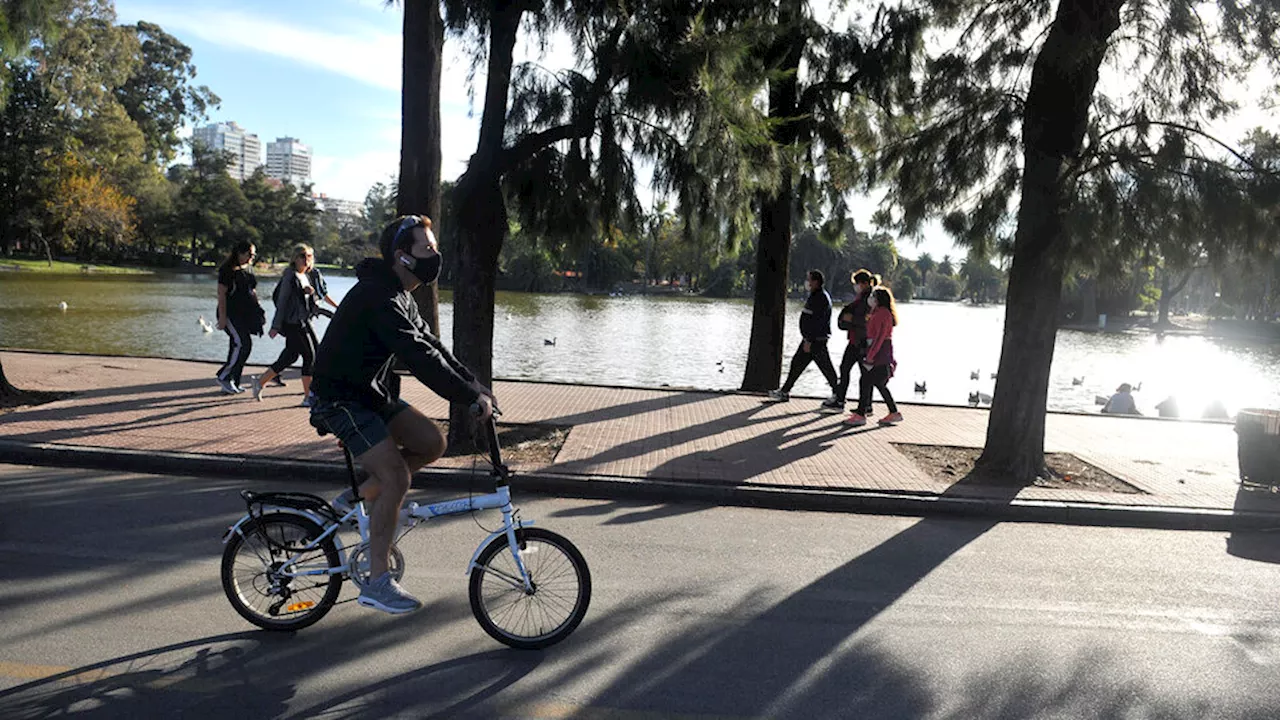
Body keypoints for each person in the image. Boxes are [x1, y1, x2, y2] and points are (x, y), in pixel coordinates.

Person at [309, 215, 495, 615]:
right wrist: (465, 398)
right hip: (340, 399)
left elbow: (433, 346)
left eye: (435, 248)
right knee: (397, 474)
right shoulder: (379, 296)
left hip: (368, 395)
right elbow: (419, 358)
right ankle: (378, 583)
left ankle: (361, 495)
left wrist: (474, 386)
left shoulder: (401, 296)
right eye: (426, 249)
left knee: (433, 442)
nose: (436, 256)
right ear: (402, 257)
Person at [253, 244, 321, 405]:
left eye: (309, 256)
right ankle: (308, 396)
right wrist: (276, 326)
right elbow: (282, 302)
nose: (306, 260)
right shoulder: (290, 276)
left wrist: (312, 296)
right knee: (309, 356)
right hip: (293, 323)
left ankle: (260, 382)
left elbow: (308, 300)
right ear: (294, 259)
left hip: (304, 321)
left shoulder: (307, 275)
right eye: (302, 256)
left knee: (291, 355)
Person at [766, 270, 840, 405]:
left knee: (826, 368)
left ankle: (838, 396)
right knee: (796, 365)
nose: (807, 282)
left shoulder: (821, 298)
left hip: (815, 341)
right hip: (810, 339)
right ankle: (784, 391)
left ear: (816, 282)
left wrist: (809, 340)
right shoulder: (815, 295)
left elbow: (817, 322)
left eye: (809, 279)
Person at [215, 241, 265, 394]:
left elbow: (252, 291)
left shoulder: (248, 270)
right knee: (243, 344)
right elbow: (221, 295)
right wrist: (222, 318)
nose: (252, 257)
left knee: (239, 345)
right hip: (230, 314)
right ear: (240, 253)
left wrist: (259, 310)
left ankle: (233, 380)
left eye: (253, 254)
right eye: (250, 254)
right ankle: (224, 376)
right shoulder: (227, 271)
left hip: (244, 315)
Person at [847, 286, 901, 426]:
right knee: (878, 383)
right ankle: (893, 412)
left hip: (878, 353)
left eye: (873, 295)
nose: (870, 298)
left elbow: (880, 337)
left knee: (866, 381)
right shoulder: (879, 312)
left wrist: (870, 356)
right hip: (880, 352)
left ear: (879, 299)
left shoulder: (882, 314)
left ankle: (861, 414)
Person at [830, 269, 879, 414]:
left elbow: (867, 320)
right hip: (855, 339)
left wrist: (851, 320)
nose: (855, 286)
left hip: (861, 342)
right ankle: (861, 404)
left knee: (860, 373)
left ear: (864, 283)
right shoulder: (860, 298)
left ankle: (847, 402)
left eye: (857, 283)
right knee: (848, 369)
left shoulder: (870, 299)